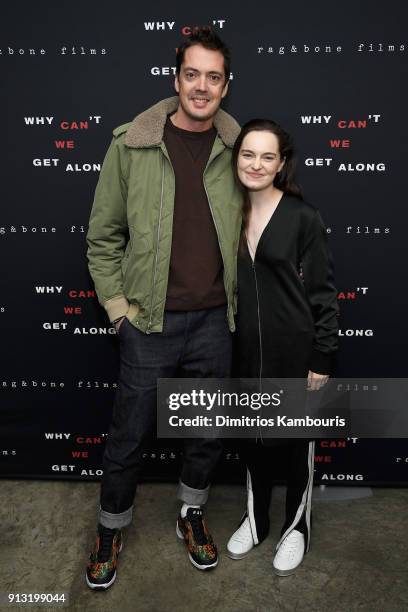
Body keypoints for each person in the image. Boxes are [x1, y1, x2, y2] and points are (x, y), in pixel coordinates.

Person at [85, 27, 242, 589]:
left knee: (205, 432)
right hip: (147, 322)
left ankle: (191, 514)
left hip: (213, 323)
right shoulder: (131, 143)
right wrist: (117, 309)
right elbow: (102, 236)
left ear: (226, 85)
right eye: (192, 74)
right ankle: (110, 526)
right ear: (176, 79)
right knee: (129, 435)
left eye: (214, 77)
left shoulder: (238, 148)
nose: (202, 87)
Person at [226, 119, 339, 575]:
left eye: (267, 156)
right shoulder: (227, 211)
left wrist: (322, 354)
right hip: (244, 353)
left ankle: (297, 528)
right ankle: (255, 520)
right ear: (236, 159)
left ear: (281, 164)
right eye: (248, 154)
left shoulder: (302, 217)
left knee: (296, 448)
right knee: (253, 443)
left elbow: (324, 294)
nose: (256, 164)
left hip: (295, 353)